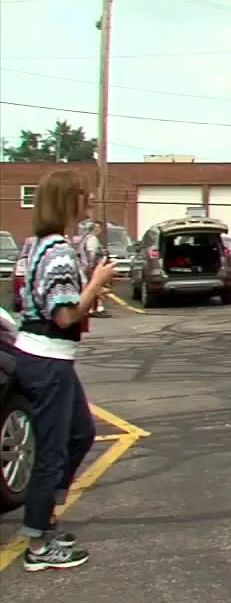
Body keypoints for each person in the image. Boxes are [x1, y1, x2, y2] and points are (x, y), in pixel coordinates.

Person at [12, 170, 116, 571]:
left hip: (44, 356)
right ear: (68, 201)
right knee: (52, 451)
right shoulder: (57, 252)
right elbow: (64, 314)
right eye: (82, 196)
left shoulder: (37, 245)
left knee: (80, 433)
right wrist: (96, 283)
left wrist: (88, 286)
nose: (87, 202)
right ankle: (38, 543)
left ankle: (46, 515)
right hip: (47, 358)